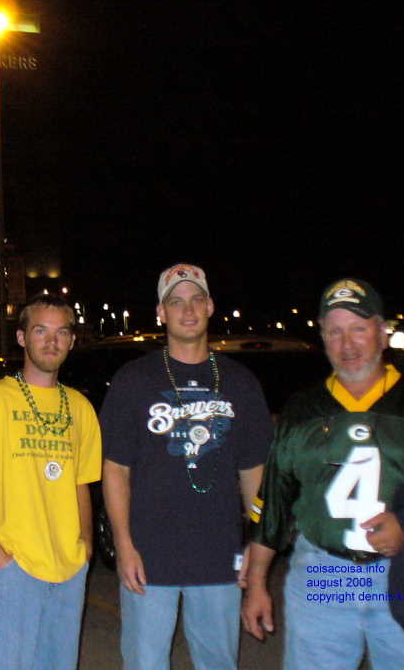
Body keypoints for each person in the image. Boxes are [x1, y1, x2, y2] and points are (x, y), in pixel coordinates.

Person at [241, 278, 404, 670]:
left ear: (382, 332)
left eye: (358, 328)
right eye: (335, 331)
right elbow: (274, 500)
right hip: (323, 574)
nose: (347, 343)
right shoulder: (303, 409)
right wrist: (256, 582)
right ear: (323, 338)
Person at [101, 263, 273, 670]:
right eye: (176, 302)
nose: (188, 309)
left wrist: (257, 546)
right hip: (149, 555)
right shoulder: (133, 380)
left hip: (219, 555)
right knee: (145, 663)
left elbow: (254, 473)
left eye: (196, 299)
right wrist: (124, 546)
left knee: (219, 663)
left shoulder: (241, 382)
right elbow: (115, 470)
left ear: (210, 305)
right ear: (161, 313)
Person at [0, 294, 101, 670]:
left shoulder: (80, 407)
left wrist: (85, 551)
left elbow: (81, 484)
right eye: (40, 331)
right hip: (11, 570)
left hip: (68, 571)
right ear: (21, 338)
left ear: (72, 340)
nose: (51, 341)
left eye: (61, 332)